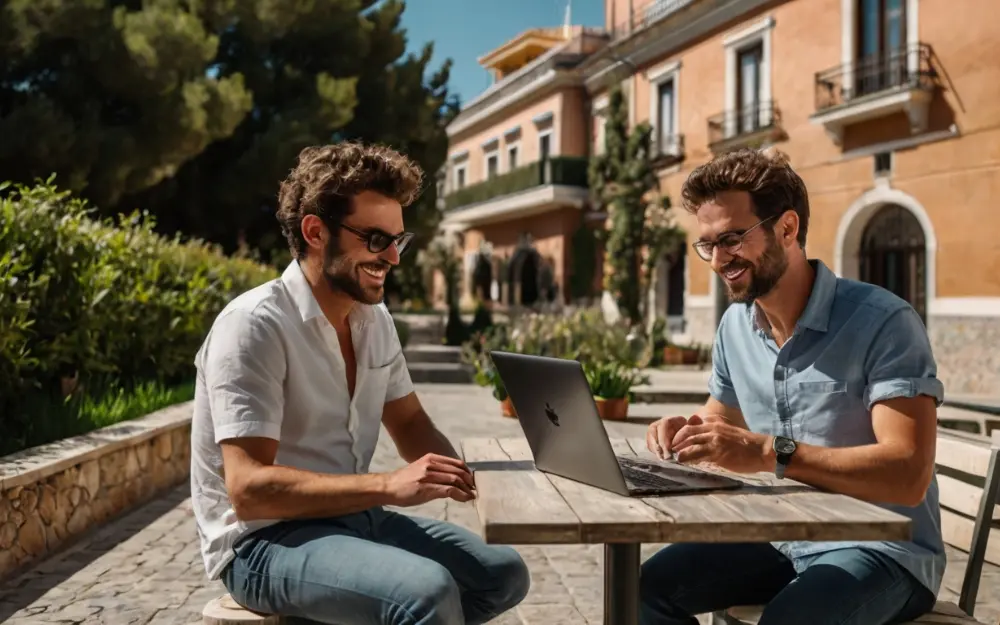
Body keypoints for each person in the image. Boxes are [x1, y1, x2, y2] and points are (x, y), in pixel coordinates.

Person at [190, 142, 530, 625]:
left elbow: (409, 420)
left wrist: (471, 478)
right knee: (426, 593)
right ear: (315, 232)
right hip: (262, 543)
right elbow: (249, 489)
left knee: (503, 573)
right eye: (375, 239)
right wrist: (389, 484)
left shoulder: (374, 320)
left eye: (397, 240)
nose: (392, 257)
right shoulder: (254, 326)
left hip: (353, 519)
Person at [640, 148, 944, 625]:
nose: (719, 259)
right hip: (781, 534)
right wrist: (688, 430)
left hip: (883, 548)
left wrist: (771, 452)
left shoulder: (883, 321)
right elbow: (721, 418)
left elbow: (907, 474)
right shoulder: (734, 326)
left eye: (733, 239)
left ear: (787, 228)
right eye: (709, 244)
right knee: (641, 591)